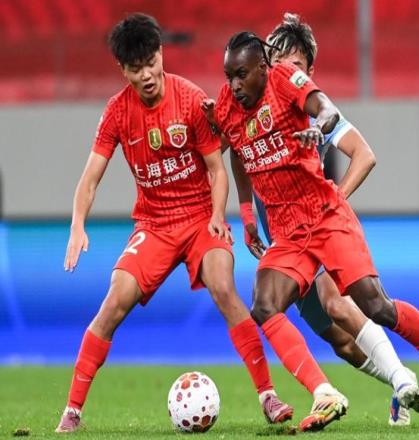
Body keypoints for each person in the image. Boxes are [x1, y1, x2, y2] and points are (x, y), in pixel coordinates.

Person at [213, 30, 419, 430]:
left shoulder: (286, 81)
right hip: (287, 233)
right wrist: (246, 213)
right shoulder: (227, 104)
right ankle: (328, 391)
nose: (234, 85)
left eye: (241, 75)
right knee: (267, 306)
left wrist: (319, 129)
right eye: (229, 76)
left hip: (325, 216)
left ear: (265, 68)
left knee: (375, 307)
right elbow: (234, 148)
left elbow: (329, 113)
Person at [55, 13, 293, 433]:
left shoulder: (189, 99)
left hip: (201, 217)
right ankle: (72, 410)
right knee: (113, 302)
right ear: (123, 70)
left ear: (161, 54)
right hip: (154, 224)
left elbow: (217, 169)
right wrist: (78, 225)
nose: (146, 75)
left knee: (224, 287)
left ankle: (268, 396)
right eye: (136, 68)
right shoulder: (116, 112)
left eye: (151, 62)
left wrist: (217, 216)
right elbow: (89, 178)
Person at [234, 12, 419, 427]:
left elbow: (359, 158)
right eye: (277, 61)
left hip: (314, 232)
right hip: (282, 242)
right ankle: (401, 380)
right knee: (340, 343)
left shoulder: (315, 120)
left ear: (309, 72)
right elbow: (239, 157)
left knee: (339, 305)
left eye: (295, 65)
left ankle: (395, 379)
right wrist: (247, 214)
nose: (285, 71)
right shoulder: (253, 112)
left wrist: (333, 203)